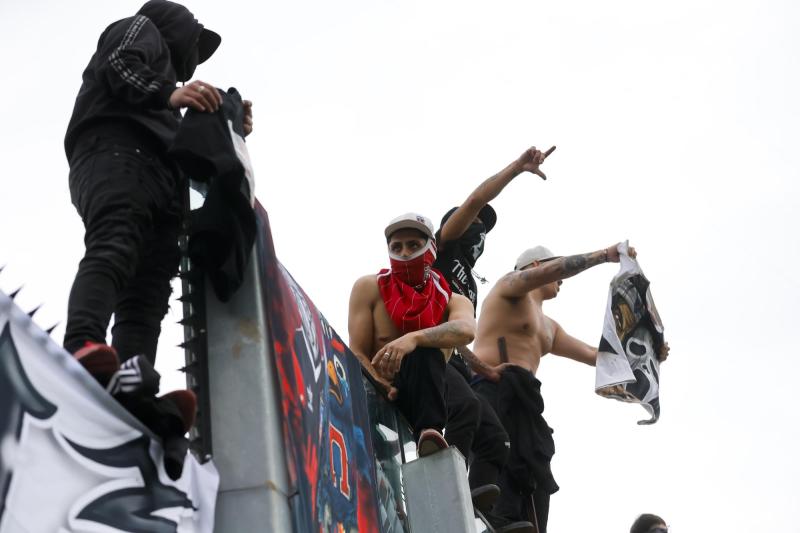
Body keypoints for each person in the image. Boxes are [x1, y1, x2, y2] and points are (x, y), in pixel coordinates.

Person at [62, 0, 252, 384]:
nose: (195, 59)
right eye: (195, 44)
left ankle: (130, 381)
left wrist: (229, 127)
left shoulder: (168, 104)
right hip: (117, 152)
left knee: (147, 292)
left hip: (161, 185)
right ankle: (81, 343)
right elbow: (118, 63)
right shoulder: (140, 29)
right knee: (116, 243)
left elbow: (194, 149)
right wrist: (168, 92)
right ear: (177, 27)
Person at [471, 244, 669, 532]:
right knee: (500, 453)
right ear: (537, 265)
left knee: (536, 466)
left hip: (527, 398)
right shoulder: (510, 288)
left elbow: (596, 357)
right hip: (494, 387)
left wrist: (648, 350)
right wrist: (605, 255)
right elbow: (560, 267)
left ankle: (526, 526)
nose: (560, 281)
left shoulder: (549, 327)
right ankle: (494, 521)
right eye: (553, 271)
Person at [432, 146, 553, 525]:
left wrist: (482, 367)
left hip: (454, 359)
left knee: (498, 438)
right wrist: (517, 168)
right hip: (428, 353)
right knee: (466, 410)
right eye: (477, 226)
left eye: (484, 231)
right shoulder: (445, 245)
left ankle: (483, 515)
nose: (480, 234)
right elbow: (477, 199)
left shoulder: (470, 286)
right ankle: (442, 490)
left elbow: (461, 337)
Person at [347, 213, 476, 454]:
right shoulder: (369, 287)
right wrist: (379, 382)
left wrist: (413, 338)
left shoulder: (452, 300)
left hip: (427, 397)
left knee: (468, 404)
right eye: (396, 246)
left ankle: (433, 443)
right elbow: (356, 350)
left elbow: (467, 330)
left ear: (431, 249)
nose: (405, 253)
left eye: (414, 245)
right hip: (376, 391)